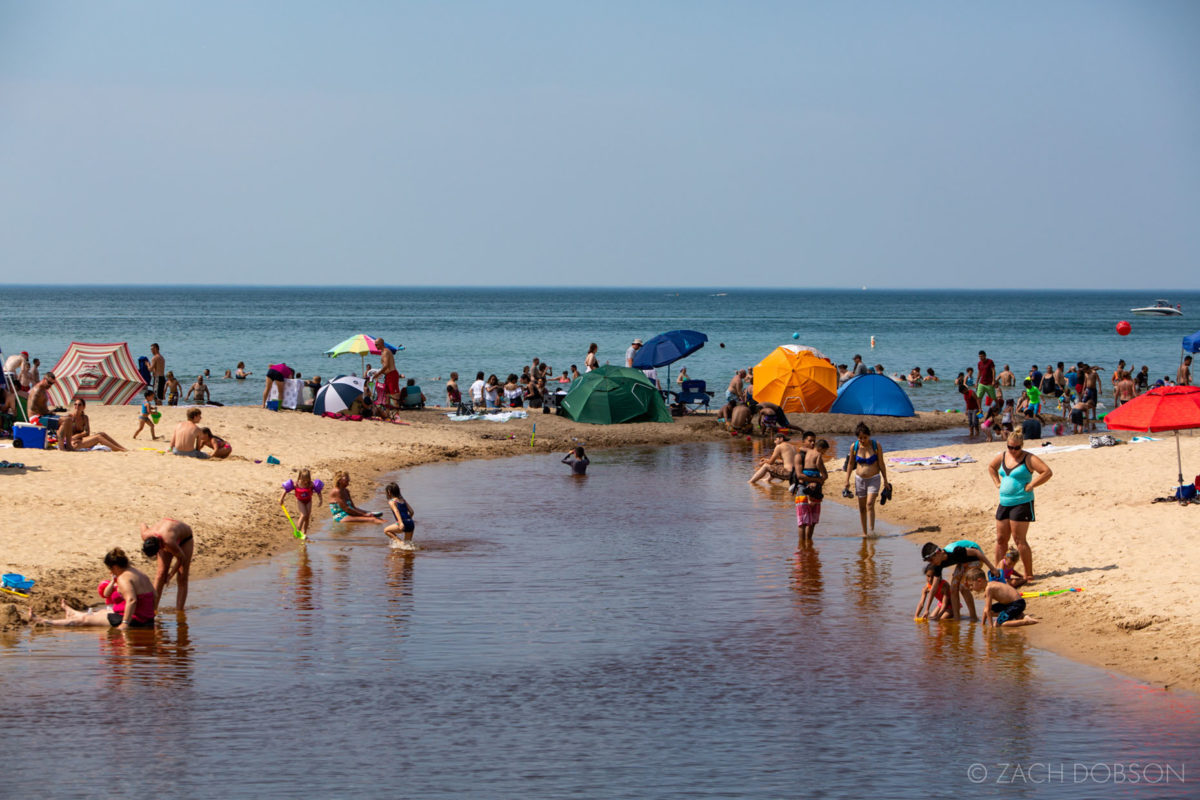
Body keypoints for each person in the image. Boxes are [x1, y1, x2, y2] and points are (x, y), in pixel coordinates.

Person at [31, 548, 156, 629]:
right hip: (146, 618)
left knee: (84, 620)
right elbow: (154, 594)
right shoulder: (139, 573)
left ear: (115, 566)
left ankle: (46, 622)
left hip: (136, 621)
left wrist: (125, 623)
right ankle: (73, 613)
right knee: (101, 612)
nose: (111, 572)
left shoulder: (124, 578)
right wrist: (150, 614)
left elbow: (132, 600)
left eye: (111, 569)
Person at [988, 431, 1052, 583]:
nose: (1013, 451)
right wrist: (997, 482)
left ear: (1021, 446)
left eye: (1016, 448)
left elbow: (1047, 472)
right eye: (1010, 447)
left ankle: (1028, 574)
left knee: (1019, 540)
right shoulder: (1003, 456)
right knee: (1001, 539)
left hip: (1022, 502)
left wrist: (1032, 484)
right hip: (1004, 502)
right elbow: (991, 467)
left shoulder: (1029, 458)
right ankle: (999, 573)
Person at [920, 540, 997, 621]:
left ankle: (973, 617)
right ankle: (957, 618)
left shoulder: (955, 551)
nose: (932, 563)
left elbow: (977, 552)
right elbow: (933, 588)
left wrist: (992, 569)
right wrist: (927, 609)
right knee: (953, 587)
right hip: (963, 561)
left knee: (963, 586)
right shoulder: (937, 565)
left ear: (938, 552)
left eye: (932, 560)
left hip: (976, 558)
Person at [844, 423, 890, 537]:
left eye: (865, 437)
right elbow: (850, 464)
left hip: (874, 478)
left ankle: (872, 530)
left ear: (869, 436)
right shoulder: (854, 447)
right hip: (859, 480)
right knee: (861, 507)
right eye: (860, 438)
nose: (863, 440)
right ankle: (865, 533)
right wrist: (847, 480)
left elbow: (881, 463)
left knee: (869, 504)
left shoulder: (876, 445)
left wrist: (885, 480)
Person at [141, 517, 194, 610]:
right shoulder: (145, 535)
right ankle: (152, 609)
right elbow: (142, 524)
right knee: (160, 575)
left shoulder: (168, 542)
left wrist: (170, 575)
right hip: (163, 535)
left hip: (185, 539)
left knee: (182, 577)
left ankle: (179, 612)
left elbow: (181, 558)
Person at [966, 568, 1038, 627]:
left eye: (971, 585)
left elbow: (987, 610)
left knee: (999, 624)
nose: (971, 588)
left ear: (979, 581)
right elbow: (986, 609)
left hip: (1017, 604)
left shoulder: (989, 588)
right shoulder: (989, 586)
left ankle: (1025, 621)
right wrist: (983, 624)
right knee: (990, 611)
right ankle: (1022, 616)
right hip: (1013, 603)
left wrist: (991, 628)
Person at [57, 398, 127, 452]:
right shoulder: (69, 417)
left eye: (79, 404)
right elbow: (61, 429)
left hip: (80, 439)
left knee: (102, 433)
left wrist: (77, 435)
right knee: (98, 437)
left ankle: (122, 447)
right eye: (75, 404)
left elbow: (87, 433)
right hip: (73, 442)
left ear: (84, 407)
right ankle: (120, 450)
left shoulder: (85, 418)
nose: (77, 406)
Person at [795, 439, 829, 544]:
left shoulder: (807, 451)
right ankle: (808, 543)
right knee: (817, 488)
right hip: (813, 474)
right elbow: (819, 464)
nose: (823, 454)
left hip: (805, 473)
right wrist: (822, 474)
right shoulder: (818, 454)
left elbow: (801, 448)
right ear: (821, 448)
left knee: (802, 522)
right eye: (824, 451)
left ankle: (802, 546)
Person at [281, 469, 324, 537]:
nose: (305, 482)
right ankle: (298, 531)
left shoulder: (311, 484)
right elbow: (286, 490)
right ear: (300, 478)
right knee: (303, 514)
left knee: (307, 517)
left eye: (307, 480)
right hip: (300, 501)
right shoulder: (296, 484)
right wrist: (281, 499)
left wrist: (321, 500)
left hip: (308, 501)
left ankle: (304, 533)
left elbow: (318, 492)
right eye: (303, 480)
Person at [383, 482, 416, 548]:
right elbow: (412, 511)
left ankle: (399, 542)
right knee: (408, 545)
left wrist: (401, 523)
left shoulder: (392, 501)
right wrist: (408, 519)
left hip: (402, 522)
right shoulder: (403, 500)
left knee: (386, 530)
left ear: (389, 492)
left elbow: (396, 511)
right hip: (410, 522)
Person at [375, 338, 400, 406]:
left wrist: (378, 374)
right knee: (387, 395)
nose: (375, 346)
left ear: (381, 344)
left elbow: (386, 366)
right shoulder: (383, 352)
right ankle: (387, 413)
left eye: (376, 345)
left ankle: (397, 413)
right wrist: (379, 373)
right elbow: (385, 367)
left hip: (392, 374)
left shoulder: (386, 352)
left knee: (394, 395)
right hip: (388, 375)